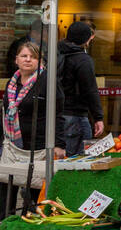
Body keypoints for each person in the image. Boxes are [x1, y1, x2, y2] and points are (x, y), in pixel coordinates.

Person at [2, 43, 66, 204]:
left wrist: (59, 144)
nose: (28, 60)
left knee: (33, 195)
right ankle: (6, 223)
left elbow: (57, 114)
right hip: (13, 146)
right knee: (5, 189)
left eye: (33, 57)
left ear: (39, 61)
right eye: (24, 56)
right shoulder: (12, 82)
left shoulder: (47, 81)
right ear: (16, 60)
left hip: (38, 146)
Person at [57, 21, 104, 157]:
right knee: (78, 159)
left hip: (58, 114)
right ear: (85, 39)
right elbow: (90, 90)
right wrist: (98, 117)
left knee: (61, 157)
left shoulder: (56, 54)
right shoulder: (83, 60)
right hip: (76, 115)